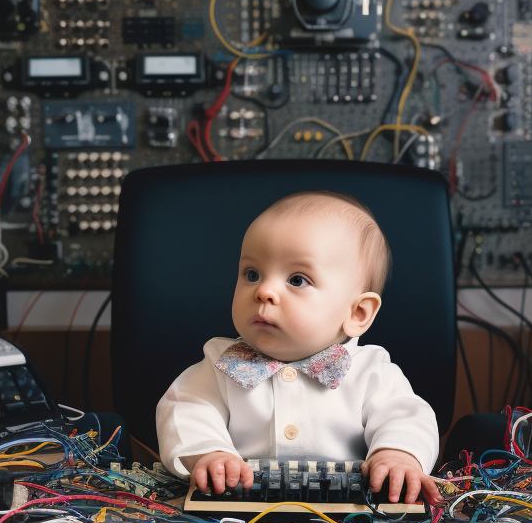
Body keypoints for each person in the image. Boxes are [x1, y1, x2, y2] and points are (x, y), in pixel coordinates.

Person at [156, 190, 440, 505]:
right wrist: (209, 453)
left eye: (297, 280)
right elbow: (184, 409)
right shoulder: (221, 364)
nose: (264, 291)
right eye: (252, 274)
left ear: (357, 314)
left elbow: (408, 417)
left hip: (350, 514)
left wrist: (397, 454)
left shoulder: (371, 372)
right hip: (240, 508)